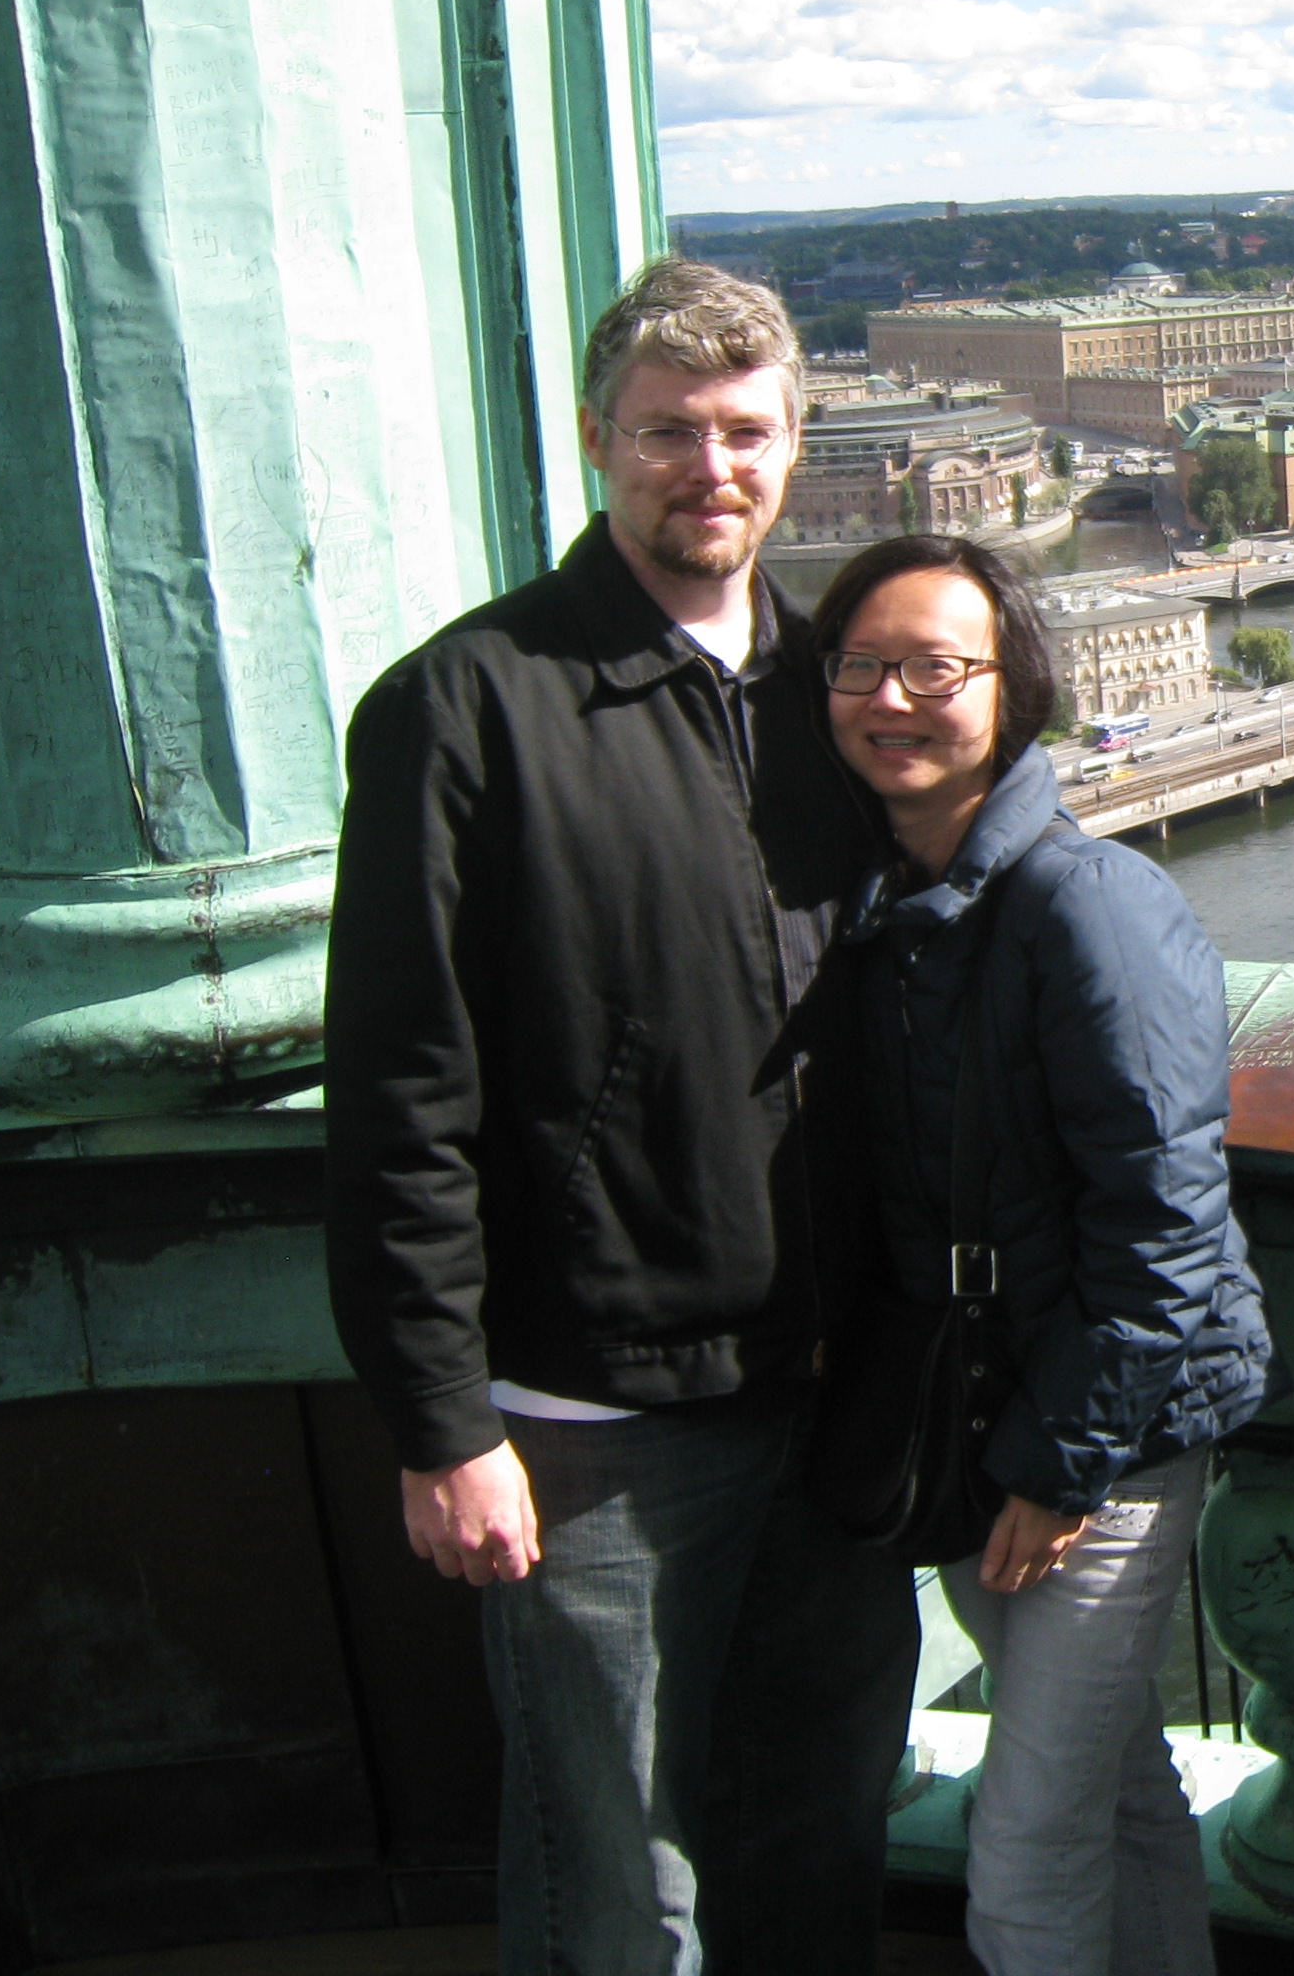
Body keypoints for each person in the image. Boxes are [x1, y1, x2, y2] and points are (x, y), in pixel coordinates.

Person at [325, 259, 918, 1976]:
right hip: (588, 1421)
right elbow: (399, 1090)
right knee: (615, 1885)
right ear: (597, 441)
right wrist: (443, 1418)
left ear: (796, 445)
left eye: (743, 431)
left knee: (815, 1834)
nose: (707, 467)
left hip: (829, 1402)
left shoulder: (838, 697)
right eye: (666, 431)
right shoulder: (470, 704)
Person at [812, 534, 1277, 1976]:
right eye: (861, 667)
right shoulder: (887, 903)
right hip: (987, 1409)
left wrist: (1056, 1462)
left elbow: (1165, 1229)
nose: (894, 697)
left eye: (936, 667)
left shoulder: (1088, 902)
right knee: (1116, 1791)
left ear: (1013, 691)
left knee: (1022, 1860)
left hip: (1101, 1441)